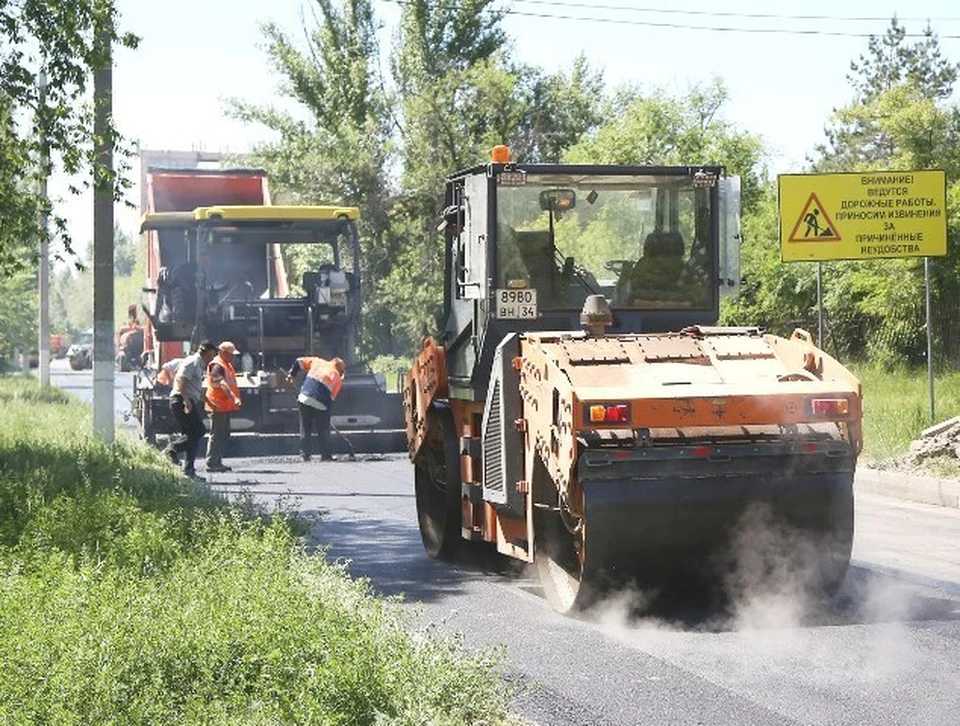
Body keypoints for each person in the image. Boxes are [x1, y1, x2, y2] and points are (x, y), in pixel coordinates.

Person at [165, 341, 218, 478]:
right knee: (199, 430)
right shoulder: (193, 361)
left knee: (191, 437)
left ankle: (189, 470)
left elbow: (196, 388)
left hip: (187, 399)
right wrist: (186, 401)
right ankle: (172, 449)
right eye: (211, 355)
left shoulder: (199, 366)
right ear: (204, 352)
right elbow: (181, 380)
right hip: (181, 400)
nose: (211, 359)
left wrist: (209, 403)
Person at [286, 355, 345, 462]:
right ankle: (326, 455)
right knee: (323, 429)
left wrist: (292, 374)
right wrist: (326, 417)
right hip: (320, 403)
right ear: (340, 370)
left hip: (304, 398)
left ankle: (304, 455)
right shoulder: (337, 378)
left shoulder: (317, 361)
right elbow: (331, 399)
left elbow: (298, 361)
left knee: (305, 427)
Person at [204, 341, 242, 473]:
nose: (233, 357)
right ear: (223, 353)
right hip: (217, 406)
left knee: (223, 434)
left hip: (223, 406)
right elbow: (222, 384)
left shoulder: (226, 364)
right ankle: (212, 463)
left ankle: (217, 461)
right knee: (217, 435)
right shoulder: (217, 366)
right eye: (231, 354)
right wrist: (234, 398)